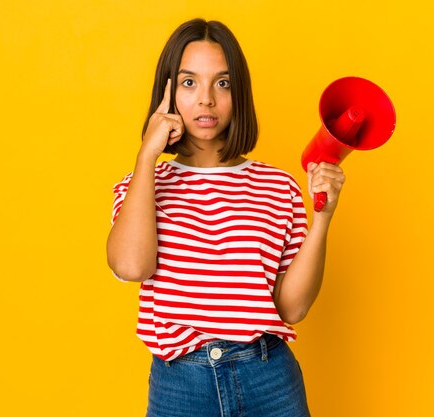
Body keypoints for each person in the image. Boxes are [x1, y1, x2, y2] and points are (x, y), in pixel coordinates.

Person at [106, 18, 345, 417]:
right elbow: (132, 265)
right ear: (166, 93)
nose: (206, 99)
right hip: (180, 385)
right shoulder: (144, 184)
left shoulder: (276, 185)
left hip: (268, 378)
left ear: (239, 93)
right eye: (188, 83)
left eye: (222, 82)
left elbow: (292, 309)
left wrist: (323, 216)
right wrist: (147, 154)